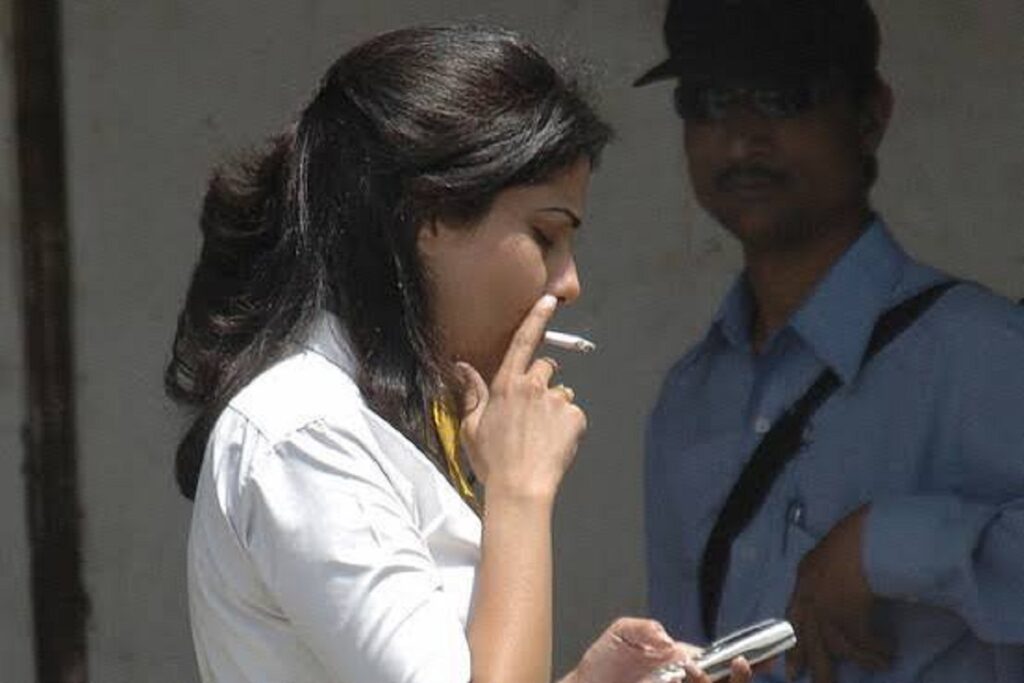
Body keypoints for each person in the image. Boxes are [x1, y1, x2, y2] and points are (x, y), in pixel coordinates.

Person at [165, 24, 755, 683]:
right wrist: (519, 488)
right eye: (546, 234)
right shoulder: (305, 431)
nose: (569, 283)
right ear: (431, 216)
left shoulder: (382, 419)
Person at [636, 1, 1024, 682]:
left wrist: (889, 543)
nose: (741, 136)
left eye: (783, 97)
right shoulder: (690, 396)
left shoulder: (986, 354)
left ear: (869, 114)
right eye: (710, 100)